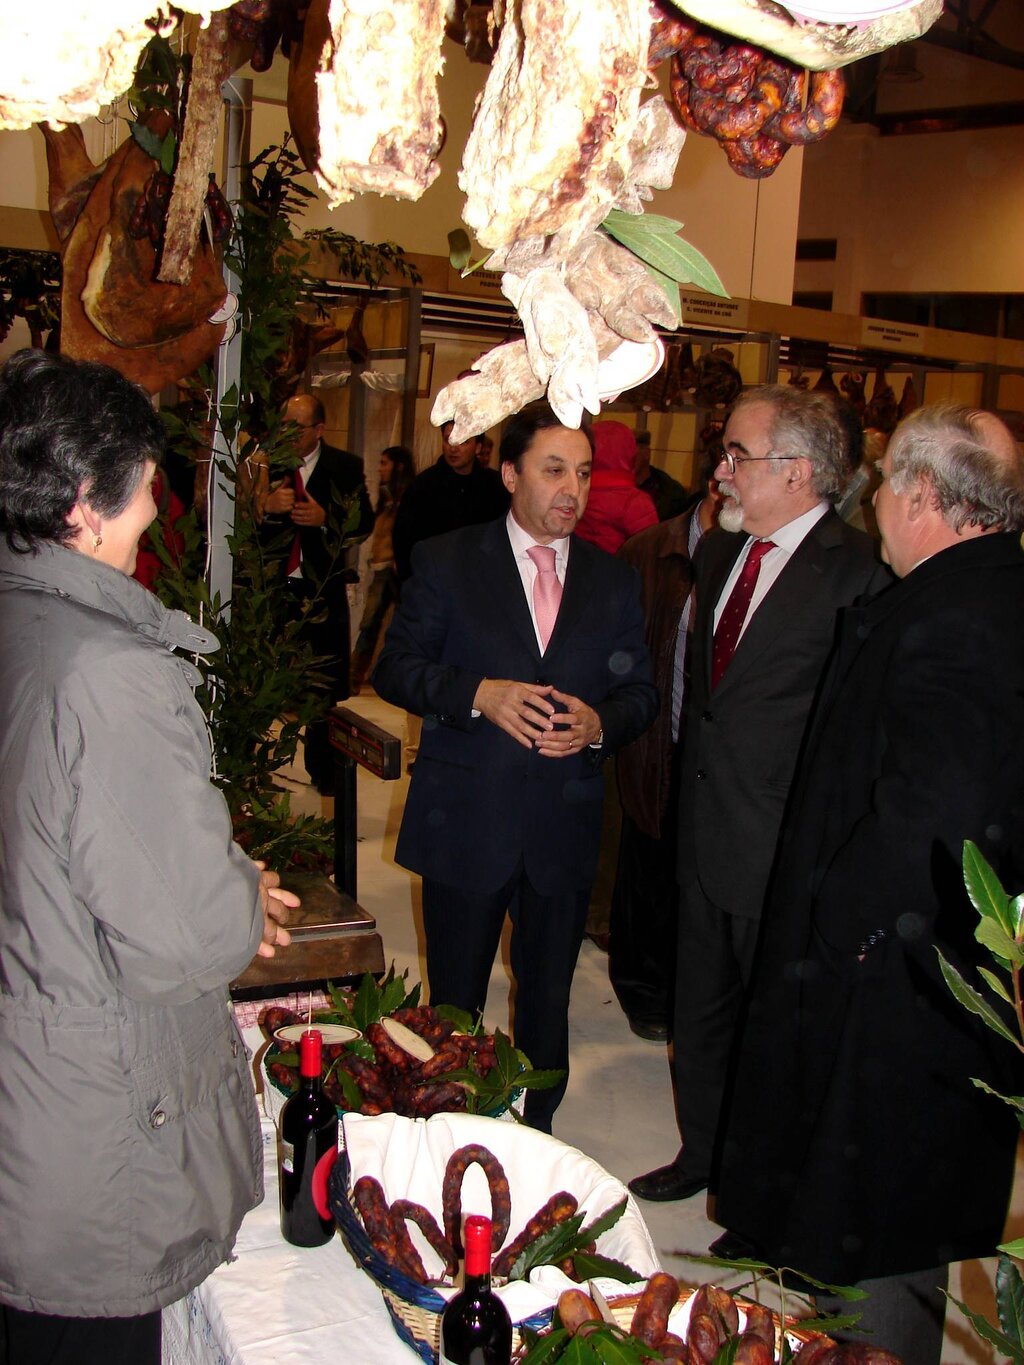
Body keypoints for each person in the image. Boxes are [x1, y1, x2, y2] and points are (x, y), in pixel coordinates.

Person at [0, 349, 297, 1365]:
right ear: (87, 501)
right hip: (82, 1129)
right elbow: (182, 938)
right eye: (148, 488)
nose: (155, 512)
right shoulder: (110, 674)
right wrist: (240, 894)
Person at [714, 403, 1024, 1364]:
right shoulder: (991, 591)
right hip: (940, 977)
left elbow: (931, 818)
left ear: (926, 496)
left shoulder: (957, 616)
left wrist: (839, 925)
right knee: (888, 1218)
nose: (876, 501)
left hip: (899, 993)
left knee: (873, 1230)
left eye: (889, 482)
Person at [629, 384, 890, 1204]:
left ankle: (759, 1189)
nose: (721, 471)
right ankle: (702, 1151)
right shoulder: (717, 553)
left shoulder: (858, 576)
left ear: (800, 471)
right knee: (698, 1012)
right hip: (705, 835)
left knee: (773, 1033)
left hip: (783, 849)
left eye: (738, 454)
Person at [372, 401, 657, 1132]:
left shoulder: (612, 579)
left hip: (561, 825)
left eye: (585, 473)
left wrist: (600, 724)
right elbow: (397, 669)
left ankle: (537, 1133)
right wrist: (477, 693)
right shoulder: (447, 560)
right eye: (554, 469)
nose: (573, 489)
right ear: (509, 474)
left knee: (547, 999)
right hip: (465, 818)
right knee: (456, 999)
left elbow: (642, 693)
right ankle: (447, 1126)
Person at [610, 462, 723, 1041]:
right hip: (658, 738)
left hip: (724, 756)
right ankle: (646, 993)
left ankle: (694, 997)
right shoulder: (650, 551)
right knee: (647, 869)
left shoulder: (763, 555)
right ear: (717, 481)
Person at [258, 392, 373, 791]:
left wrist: (328, 519)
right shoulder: (265, 462)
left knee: (323, 692)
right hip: (273, 593)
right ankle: (254, 773)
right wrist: (264, 505)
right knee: (265, 684)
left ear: (319, 430)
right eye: (283, 426)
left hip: (322, 594)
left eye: (297, 427)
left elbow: (364, 524)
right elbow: (234, 519)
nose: (288, 434)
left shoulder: (345, 467)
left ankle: (324, 775)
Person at [391, 420, 509, 584]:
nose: (454, 448)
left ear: (478, 447)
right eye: (448, 440)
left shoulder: (496, 488)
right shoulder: (422, 487)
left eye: (463, 441)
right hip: (433, 585)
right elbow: (403, 541)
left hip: (481, 585)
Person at [350, 444, 415, 690]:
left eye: (385, 463)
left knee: (380, 624)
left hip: (394, 567)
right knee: (370, 624)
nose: (380, 469)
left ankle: (359, 677)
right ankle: (356, 676)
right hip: (381, 565)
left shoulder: (407, 496)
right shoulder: (387, 496)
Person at [574, 419, 657, 554]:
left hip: (575, 569)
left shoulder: (575, 490)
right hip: (620, 571)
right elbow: (651, 549)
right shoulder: (635, 501)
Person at [634, 428, 690, 522]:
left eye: (632, 453)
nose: (627, 458)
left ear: (646, 453)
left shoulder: (672, 491)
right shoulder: (617, 489)